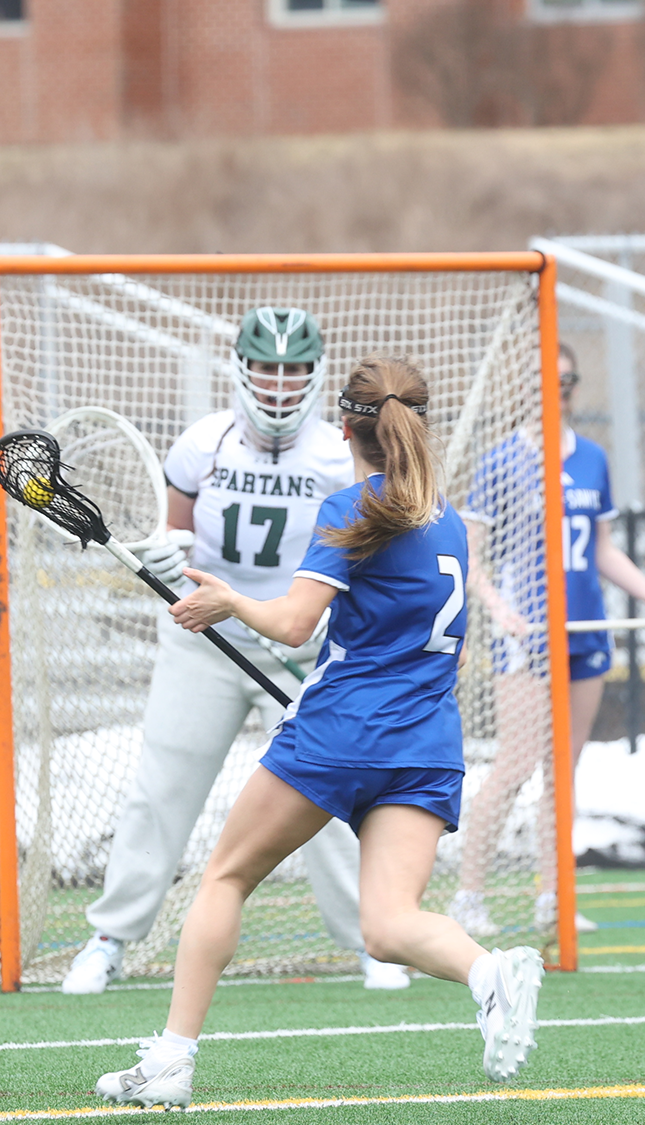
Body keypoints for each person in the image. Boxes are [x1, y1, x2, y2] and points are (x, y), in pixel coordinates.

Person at [94, 356, 546, 1108]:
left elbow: (296, 623)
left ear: (346, 428)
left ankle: (171, 1060)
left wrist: (230, 601)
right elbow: (449, 646)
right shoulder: (452, 524)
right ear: (416, 425)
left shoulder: (351, 509)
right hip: (428, 742)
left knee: (226, 876)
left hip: (340, 733)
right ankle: (486, 973)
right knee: (388, 924)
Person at [63, 307, 408, 995]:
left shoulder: (339, 457)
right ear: (241, 369)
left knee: (335, 793)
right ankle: (111, 935)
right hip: (206, 637)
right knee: (163, 788)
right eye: (267, 369)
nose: (279, 385)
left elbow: (366, 554)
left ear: (315, 376)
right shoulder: (202, 444)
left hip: (304, 641)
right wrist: (166, 554)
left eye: (293, 371)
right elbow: (176, 539)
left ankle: (373, 937)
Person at [449, 343, 645, 938]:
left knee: (564, 772)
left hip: (584, 628)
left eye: (568, 381)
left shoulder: (591, 459)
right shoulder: (502, 462)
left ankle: (553, 897)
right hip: (526, 636)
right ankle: (468, 896)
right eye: (546, 381)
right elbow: (472, 559)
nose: (558, 392)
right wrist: (500, 611)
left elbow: (603, 550)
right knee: (514, 766)